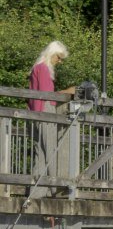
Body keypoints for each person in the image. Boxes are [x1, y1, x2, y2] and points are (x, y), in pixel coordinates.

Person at [26, 41, 71, 190]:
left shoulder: (36, 68)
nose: (60, 61)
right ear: (52, 54)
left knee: (41, 153)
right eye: (59, 57)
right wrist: (67, 92)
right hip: (45, 110)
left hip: (35, 111)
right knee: (51, 149)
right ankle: (55, 189)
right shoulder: (44, 69)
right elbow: (47, 94)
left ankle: (36, 192)